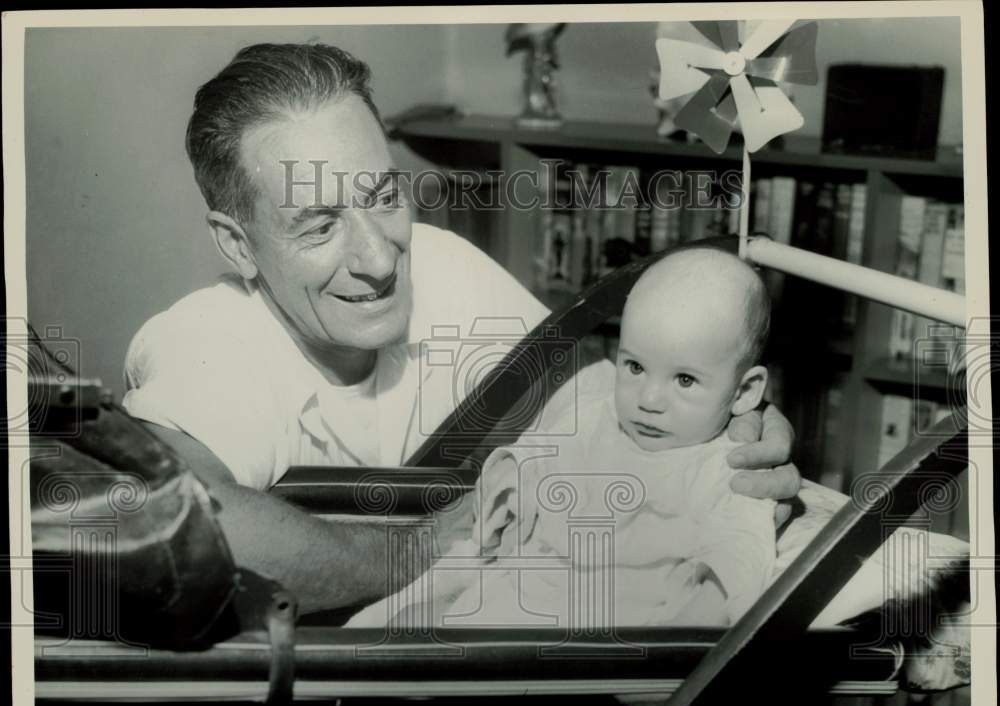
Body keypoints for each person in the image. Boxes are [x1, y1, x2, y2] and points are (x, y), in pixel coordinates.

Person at [121, 42, 801, 614]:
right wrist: (424, 545)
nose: (380, 258)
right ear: (238, 246)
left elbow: (598, 404)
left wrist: (735, 427)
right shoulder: (203, 343)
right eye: (321, 226)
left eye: (383, 197)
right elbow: (184, 523)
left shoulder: (442, 266)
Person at [352, 248, 776, 628]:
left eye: (684, 379)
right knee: (404, 624)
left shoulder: (727, 474)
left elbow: (736, 565)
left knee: (425, 656)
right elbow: (539, 454)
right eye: (634, 367)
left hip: (606, 629)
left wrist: (675, 650)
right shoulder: (597, 419)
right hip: (526, 587)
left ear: (744, 391)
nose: (648, 399)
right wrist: (513, 482)